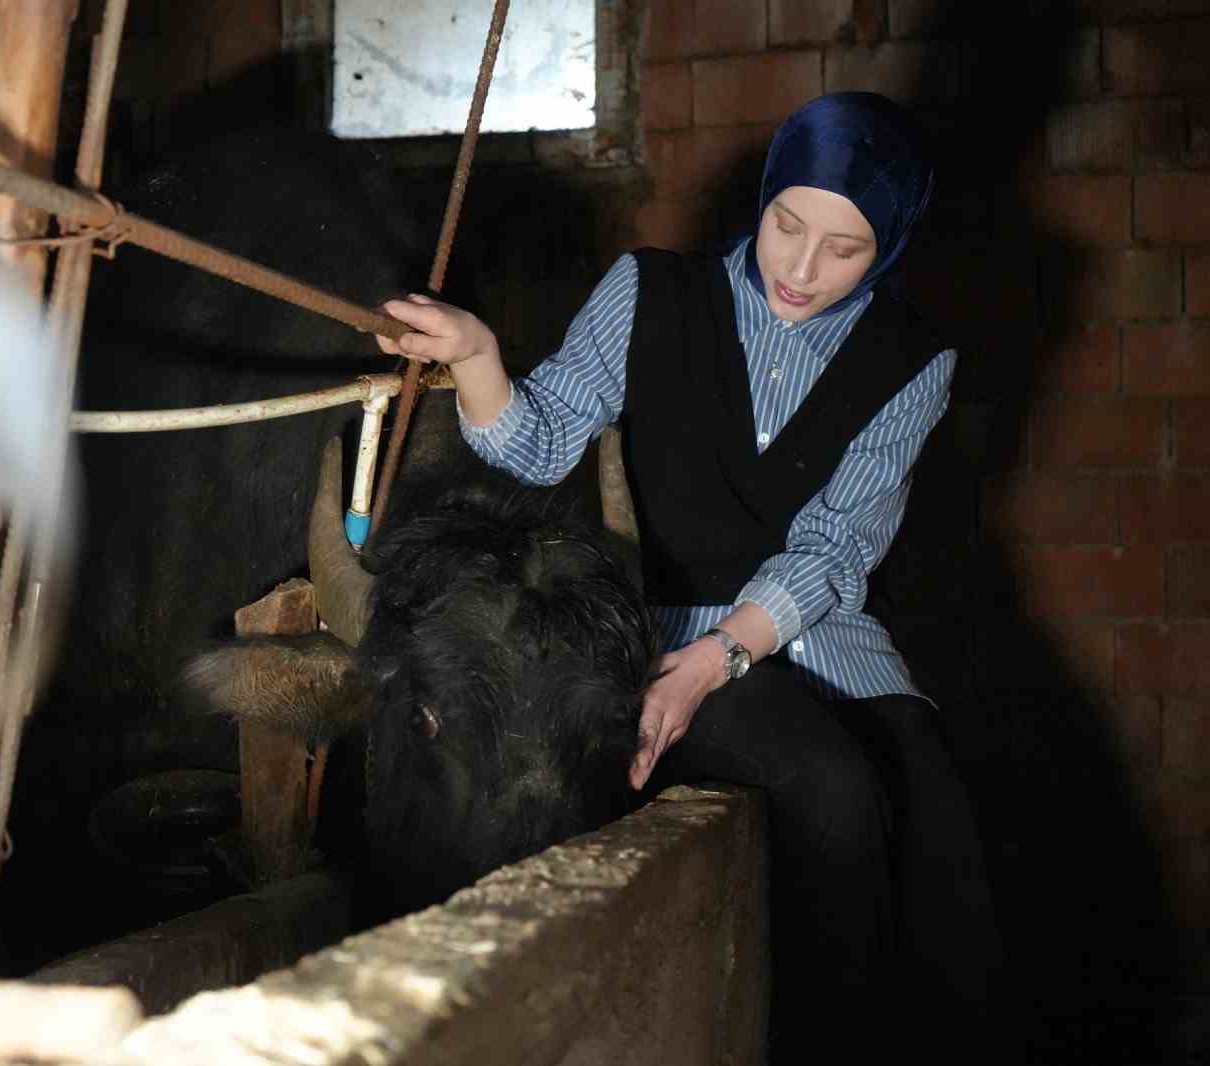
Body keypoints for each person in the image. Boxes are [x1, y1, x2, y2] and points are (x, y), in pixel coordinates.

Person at [374, 92, 1001, 1063]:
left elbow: (838, 548)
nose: (798, 268)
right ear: (764, 200)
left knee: (942, 836)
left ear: (891, 245)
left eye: (842, 249)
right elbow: (538, 445)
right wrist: (479, 357)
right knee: (828, 791)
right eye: (787, 224)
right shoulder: (651, 294)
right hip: (663, 626)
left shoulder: (913, 360)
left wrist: (717, 660)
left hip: (820, 635)